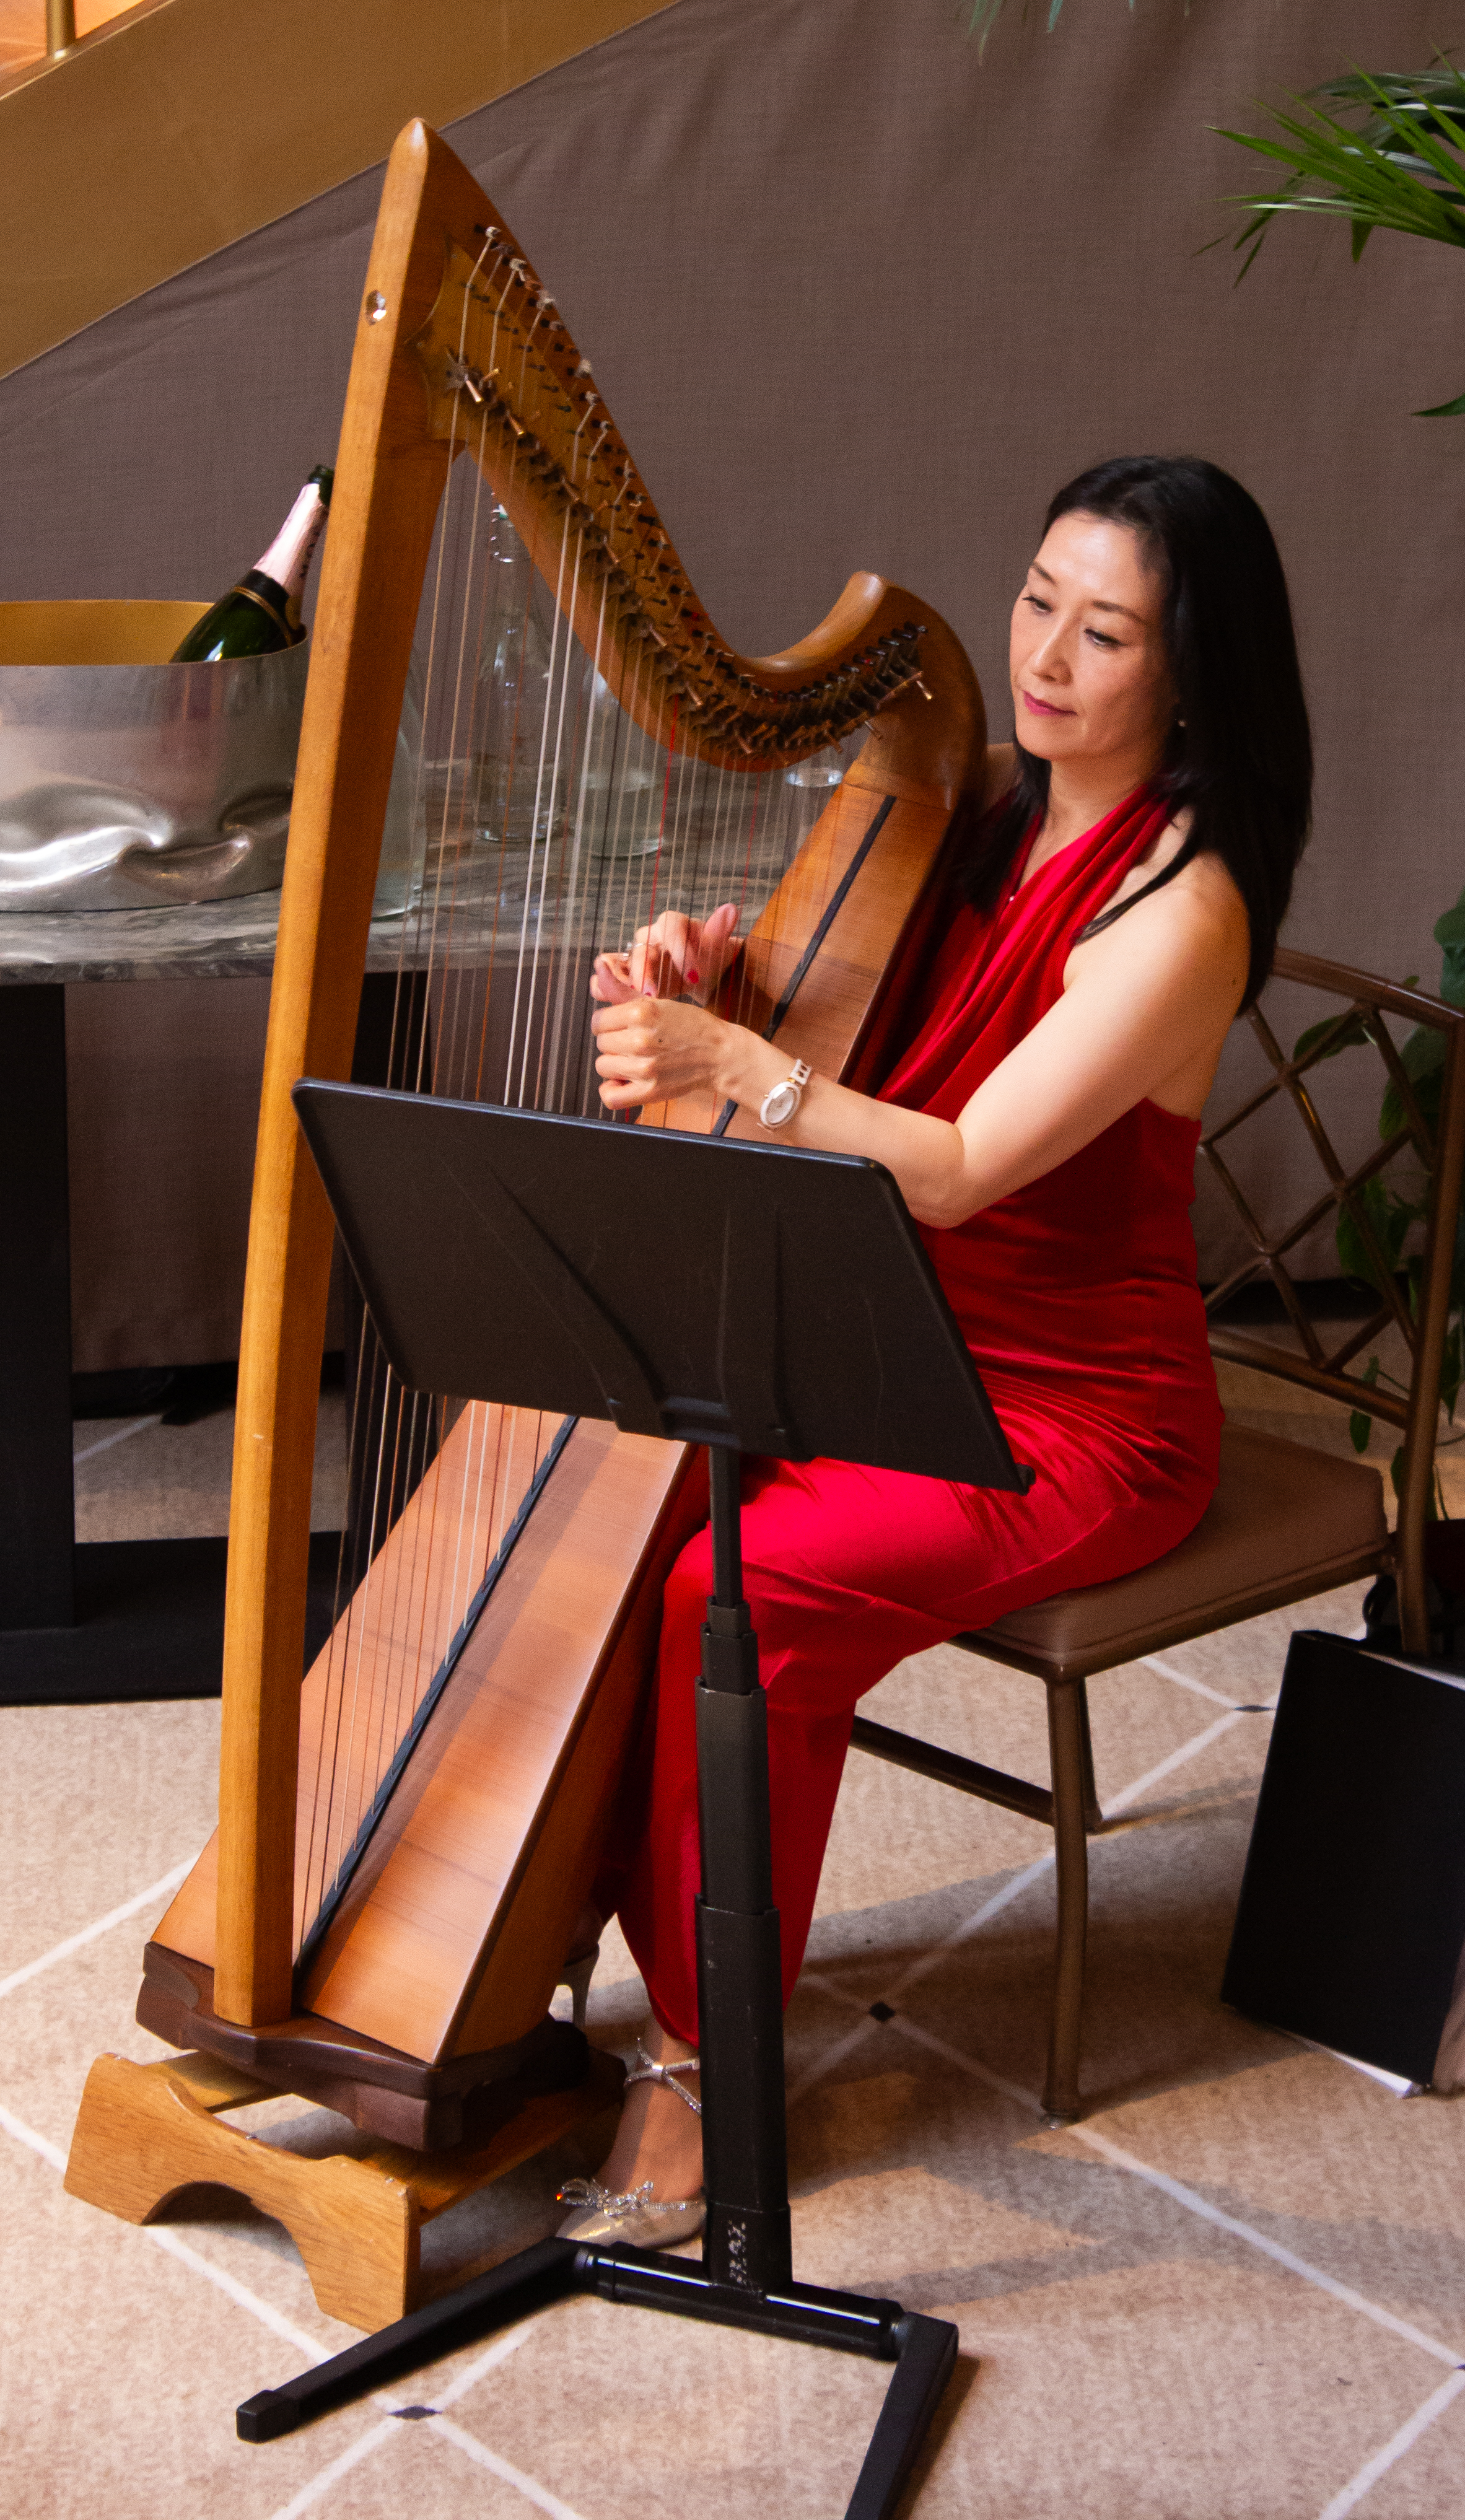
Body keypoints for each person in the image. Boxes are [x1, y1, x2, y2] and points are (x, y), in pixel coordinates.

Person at [554, 455, 1313, 2246]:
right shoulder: (973, 803)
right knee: (628, 1512)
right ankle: (556, 1943)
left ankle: (698, 2064)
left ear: (1192, 671)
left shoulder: (1183, 906)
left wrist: (744, 1076)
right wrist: (718, 980)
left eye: (1106, 629)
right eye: (1037, 598)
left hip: (1066, 1419)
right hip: (877, 1345)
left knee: (745, 1595)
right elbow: (854, 1042)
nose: (1045, 654)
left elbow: (961, 1169)